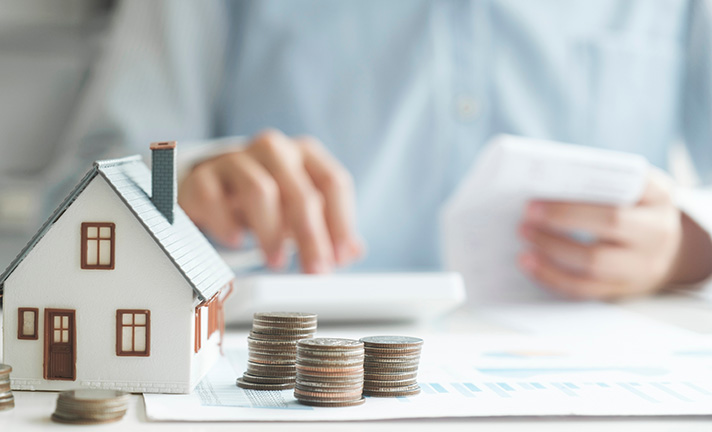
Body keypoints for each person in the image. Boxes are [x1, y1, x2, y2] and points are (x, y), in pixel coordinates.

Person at [53, 0, 712, 299]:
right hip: (272, 383)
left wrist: (684, 246)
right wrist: (185, 186)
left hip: (601, 391)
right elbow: (77, 203)